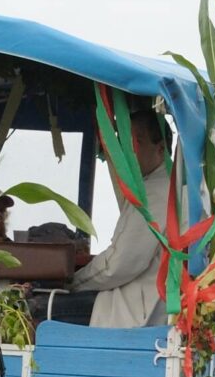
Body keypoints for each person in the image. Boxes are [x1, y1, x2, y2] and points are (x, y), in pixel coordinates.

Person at [63, 99, 173, 327]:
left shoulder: (155, 194)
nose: (128, 151)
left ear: (161, 148)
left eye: (137, 142)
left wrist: (72, 281)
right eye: (125, 143)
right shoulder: (167, 186)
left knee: (38, 305)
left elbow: (118, 265)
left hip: (137, 312)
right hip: (151, 304)